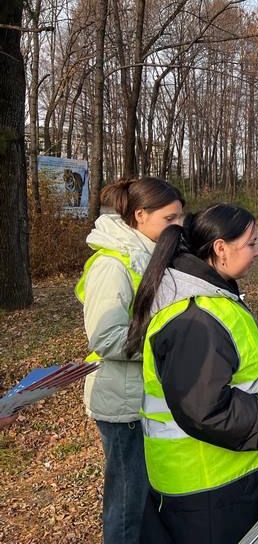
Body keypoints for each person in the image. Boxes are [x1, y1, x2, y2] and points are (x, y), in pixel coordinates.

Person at [126, 204, 258, 544]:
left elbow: (220, 377)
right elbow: (207, 410)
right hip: (209, 493)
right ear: (220, 248)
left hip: (224, 480)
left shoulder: (214, 299)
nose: (257, 252)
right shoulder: (196, 317)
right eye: (251, 243)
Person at [75, 177, 184, 544]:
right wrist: (167, 346)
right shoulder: (112, 264)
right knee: (128, 500)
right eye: (170, 218)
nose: (178, 226)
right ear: (140, 215)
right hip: (122, 404)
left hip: (145, 397)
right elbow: (106, 337)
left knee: (149, 496)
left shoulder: (150, 254)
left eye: (180, 218)